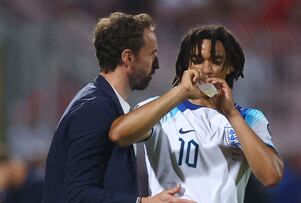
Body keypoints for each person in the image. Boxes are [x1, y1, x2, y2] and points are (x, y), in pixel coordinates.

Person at [109, 25, 284, 203]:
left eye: (216, 61)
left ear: (230, 66)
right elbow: (119, 135)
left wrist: (231, 114)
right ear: (188, 64)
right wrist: (182, 91)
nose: (206, 69)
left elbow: (271, 176)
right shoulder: (162, 111)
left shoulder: (250, 118)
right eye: (198, 60)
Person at [43, 12, 194, 203]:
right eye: (152, 54)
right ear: (128, 58)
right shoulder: (95, 108)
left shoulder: (102, 102)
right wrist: (143, 202)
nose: (157, 64)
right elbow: (75, 195)